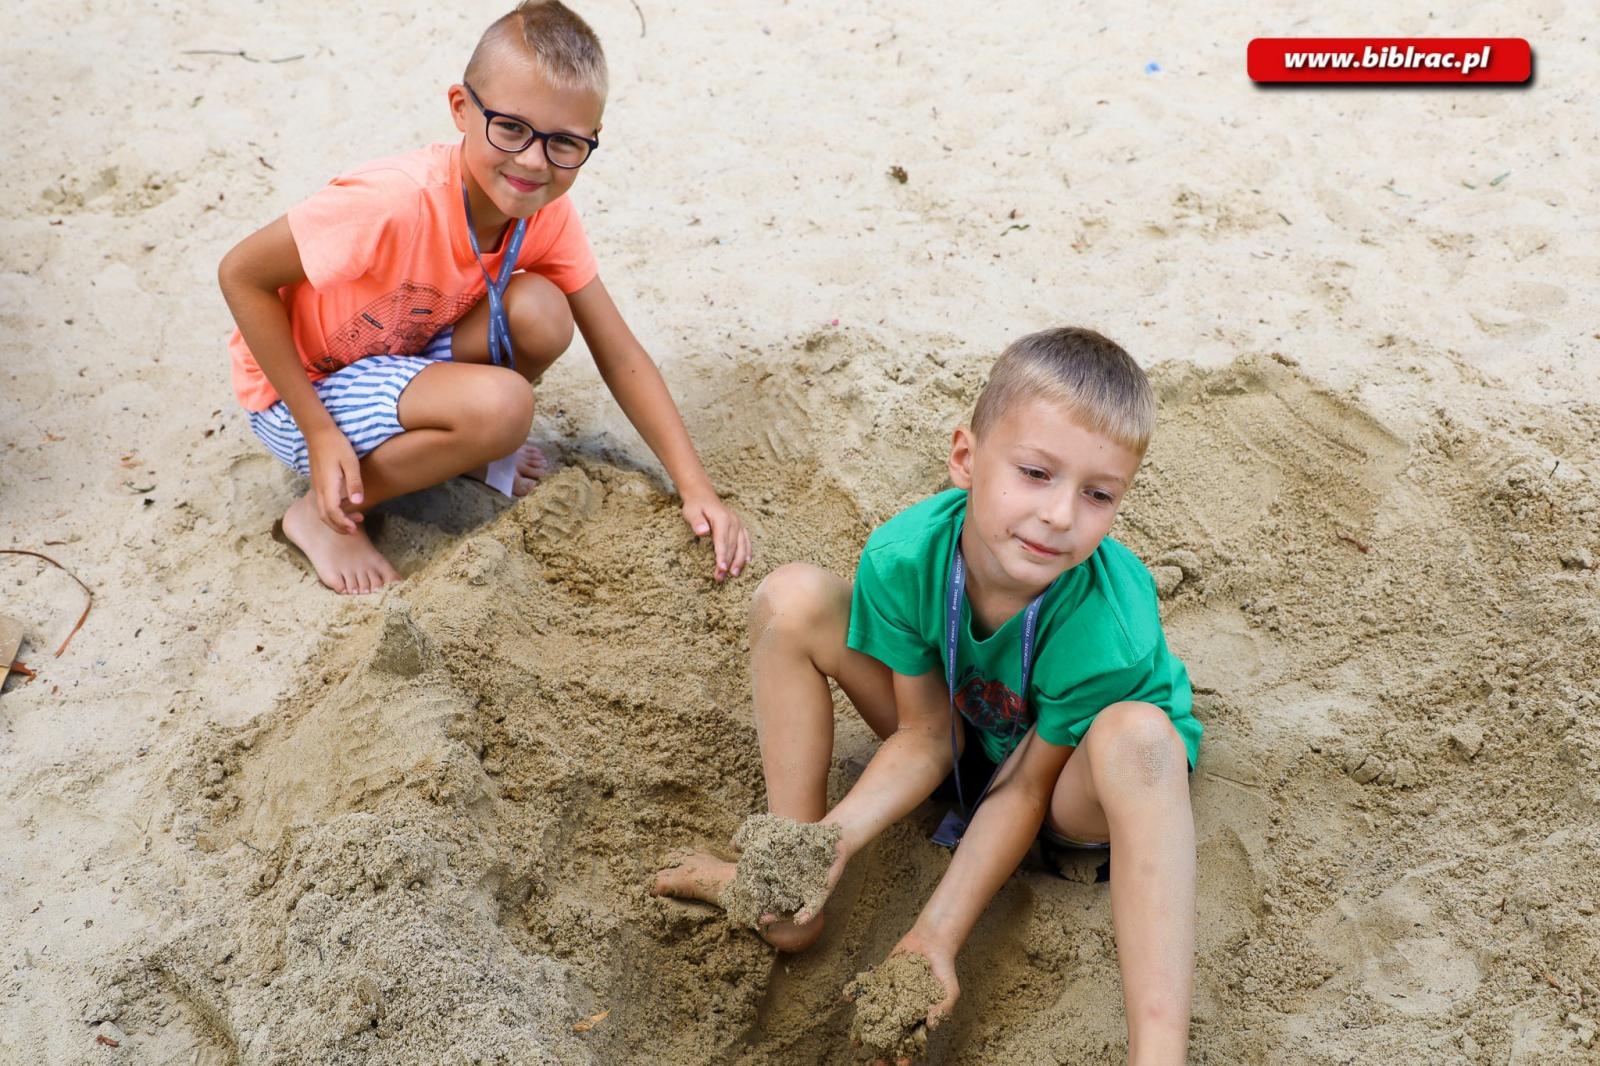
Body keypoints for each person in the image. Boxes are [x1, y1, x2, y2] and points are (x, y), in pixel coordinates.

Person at [652, 327, 1202, 1065]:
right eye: (1036, 473)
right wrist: (829, 842)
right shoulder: (905, 554)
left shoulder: (1111, 620)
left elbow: (1026, 792)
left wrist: (934, 937)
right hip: (964, 736)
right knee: (792, 599)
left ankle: (1158, 1053)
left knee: (1138, 735)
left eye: (1098, 495)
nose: (1062, 516)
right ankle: (789, 881)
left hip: (1074, 793)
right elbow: (920, 733)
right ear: (966, 458)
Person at [218, 0, 750, 595]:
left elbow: (618, 351)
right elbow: (241, 273)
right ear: (461, 109)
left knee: (545, 312)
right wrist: (318, 431)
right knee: (504, 407)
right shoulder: (394, 200)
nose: (532, 161)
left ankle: (459, 445)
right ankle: (321, 515)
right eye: (512, 128)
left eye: (564, 144)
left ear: (592, 140)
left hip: (397, 359)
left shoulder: (545, 215)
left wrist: (696, 488)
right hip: (298, 391)